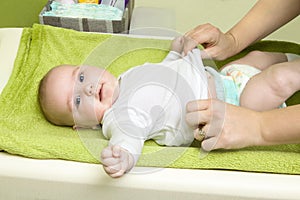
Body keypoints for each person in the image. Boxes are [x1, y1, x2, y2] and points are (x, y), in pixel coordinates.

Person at [38, 36, 293, 178]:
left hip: (224, 77)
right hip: (236, 107)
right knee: (276, 81)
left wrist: (176, 54)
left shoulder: (127, 76)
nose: (88, 89)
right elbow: (128, 140)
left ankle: (292, 57)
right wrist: (122, 157)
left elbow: (165, 71)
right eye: (78, 101)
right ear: (82, 126)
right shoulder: (120, 117)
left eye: (80, 77)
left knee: (258, 57)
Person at [184, 0, 300, 151]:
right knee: (257, 58)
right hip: (228, 79)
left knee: (279, 79)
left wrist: (259, 126)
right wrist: (233, 40)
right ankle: (290, 59)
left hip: (244, 100)